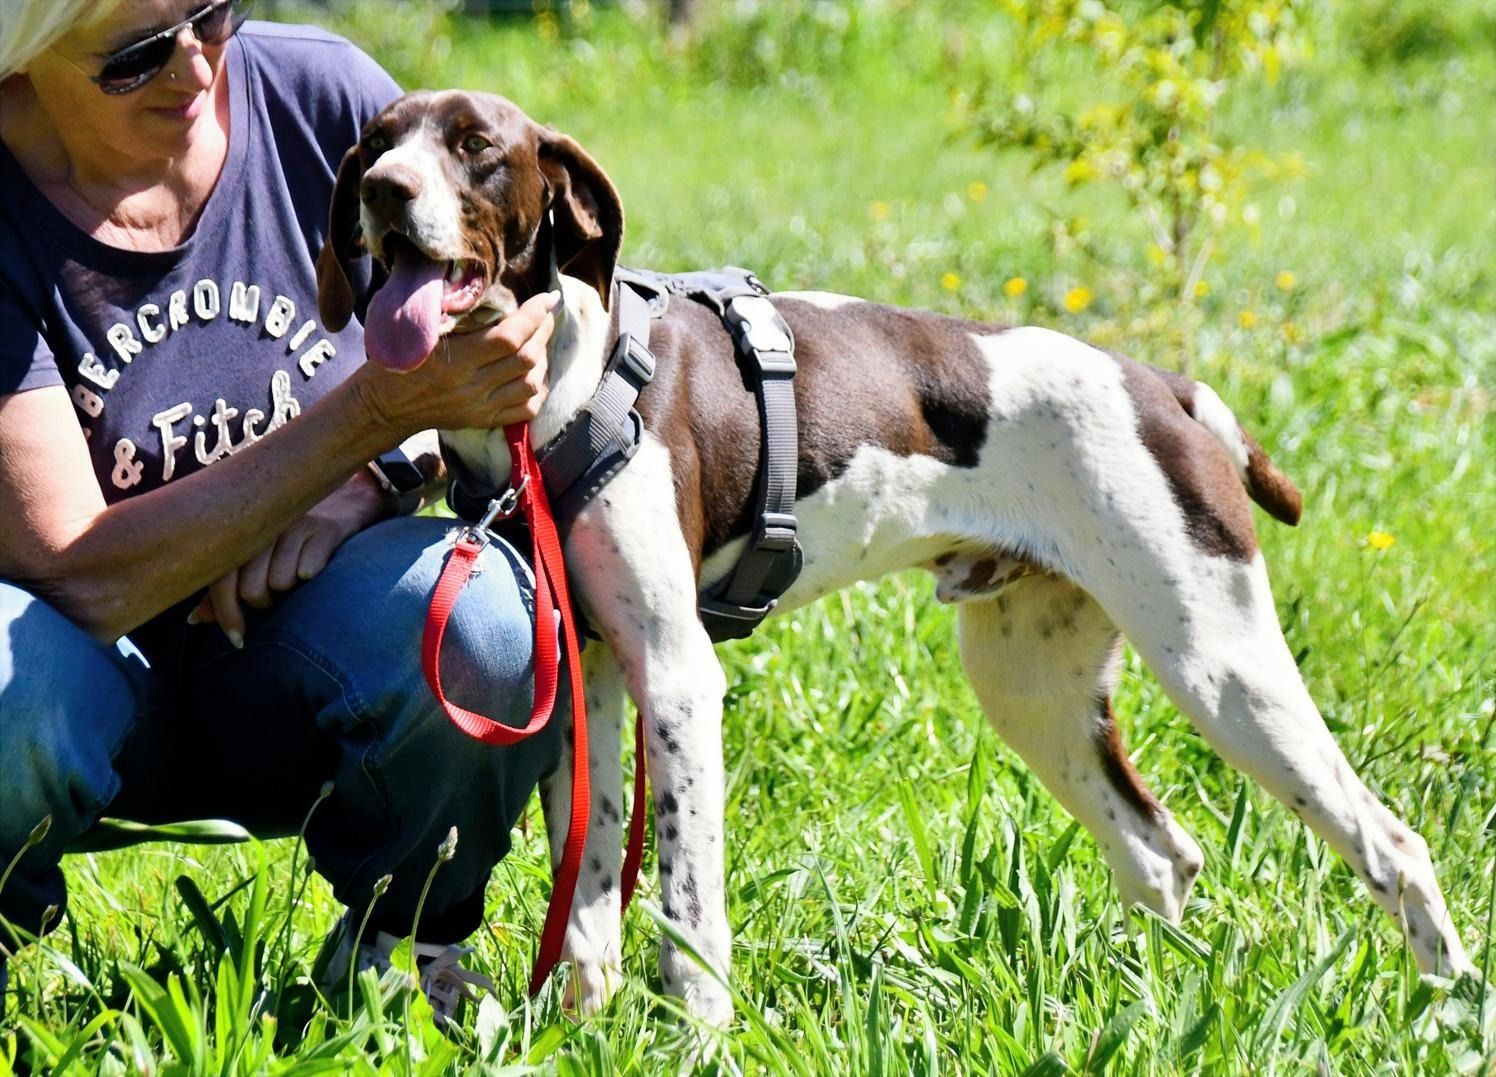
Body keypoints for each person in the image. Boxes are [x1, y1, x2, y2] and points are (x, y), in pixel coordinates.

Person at [0, 0, 565, 1024]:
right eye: (132, 57)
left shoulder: (320, 98)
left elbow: (510, 301)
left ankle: (402, 955)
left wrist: (382, 469)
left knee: (482, 618)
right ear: (19, 58)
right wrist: (366, 419)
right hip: (70, 678)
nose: (192, 65)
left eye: (211, 13)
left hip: (288, 653)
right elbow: (74, 569)